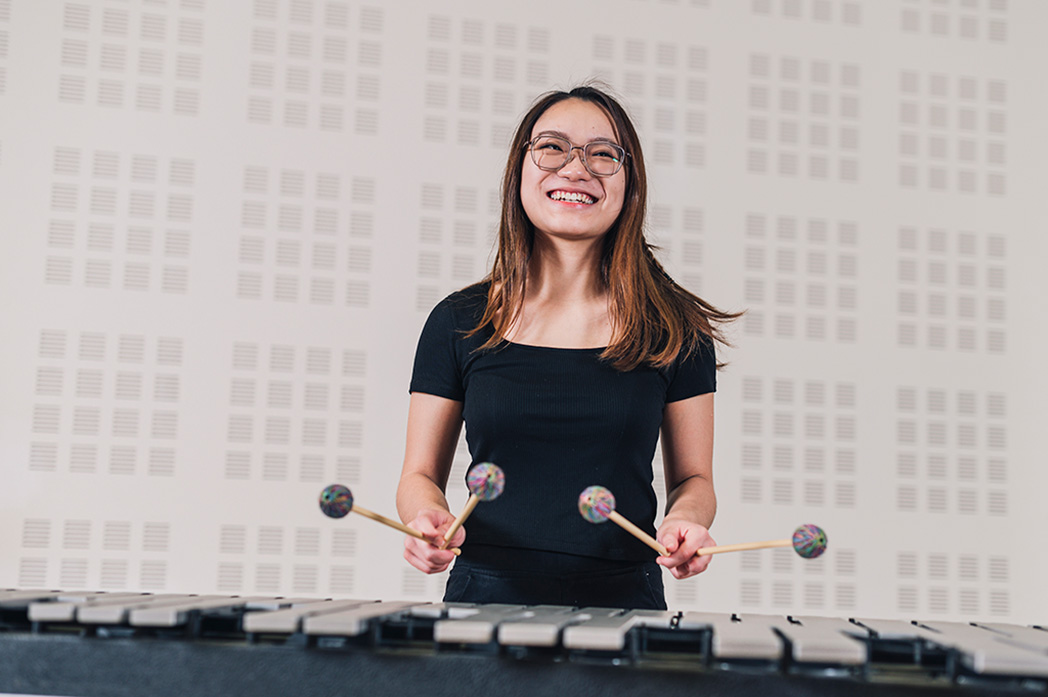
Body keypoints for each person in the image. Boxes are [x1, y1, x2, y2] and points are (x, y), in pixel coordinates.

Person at [396, 84, 738, 610]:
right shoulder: (459, 321)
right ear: (520, 172)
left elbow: (694, 479)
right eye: (552, 147)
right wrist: (426, 518)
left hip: (626, 601)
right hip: (484, 596)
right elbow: (419, 476)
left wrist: (687, 519)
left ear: (630, 185)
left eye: (603, 154)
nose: (576, 169)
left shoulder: (673, 327)